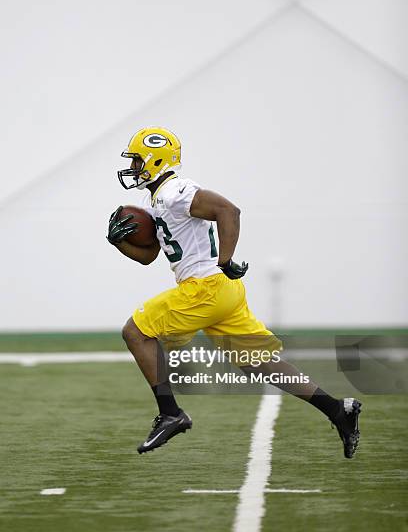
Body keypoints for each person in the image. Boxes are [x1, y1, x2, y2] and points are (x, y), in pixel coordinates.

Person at [107, 126, 361, 458]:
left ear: (156, 160)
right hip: (219, 291)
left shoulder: (176, 191)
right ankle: (338, 410)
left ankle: (171, 413)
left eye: (138, 161)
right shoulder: (153, 199)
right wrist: (119, 241)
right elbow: (149, 255)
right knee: (260, 363)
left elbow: (229, 211)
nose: (134, 168)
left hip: (205, 287)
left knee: (136, 332)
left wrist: (225, 260)